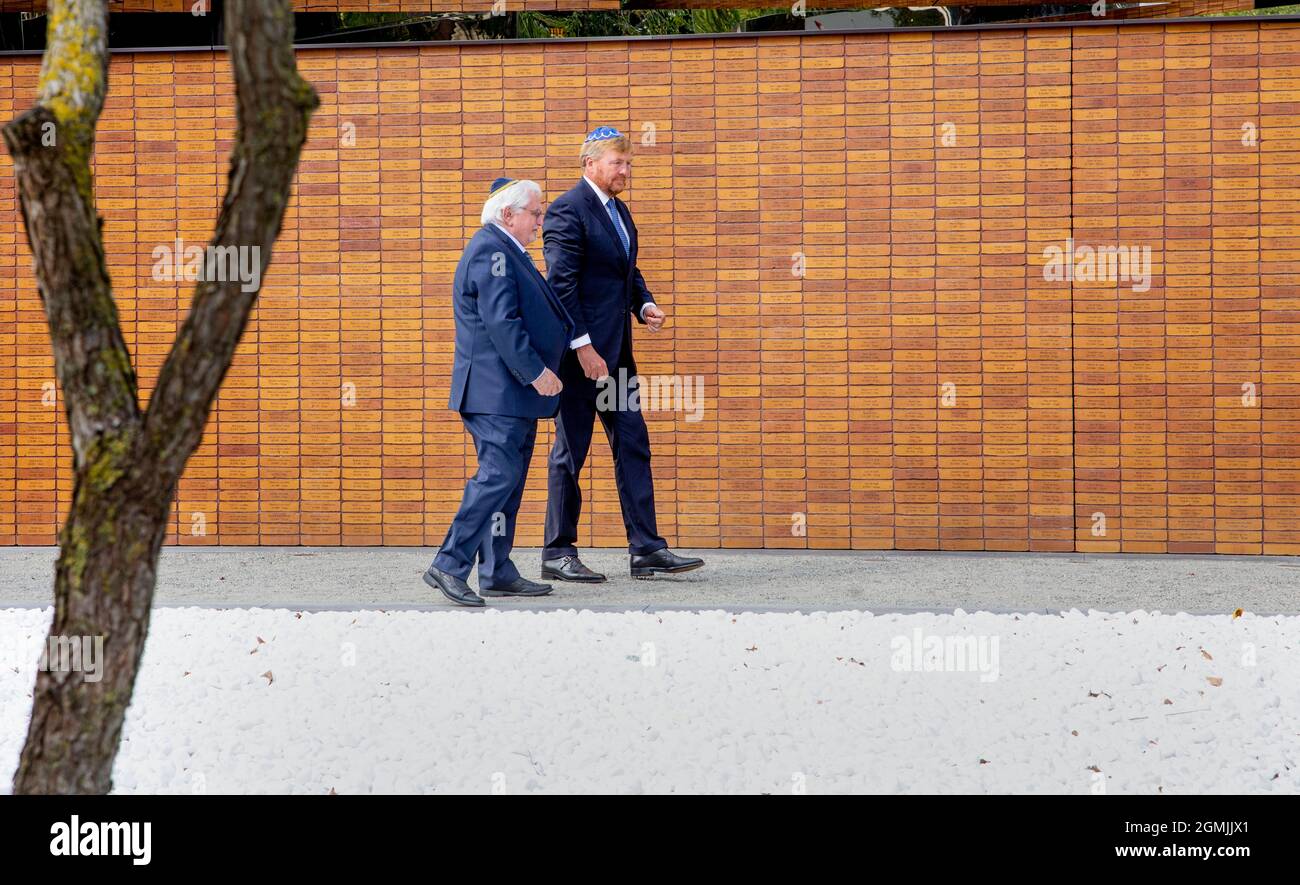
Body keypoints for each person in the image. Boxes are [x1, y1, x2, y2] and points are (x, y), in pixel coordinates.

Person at [540, 126, 704, 582]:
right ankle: (557, 552)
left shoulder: (619, 212)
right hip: (580, 359)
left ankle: (646, 549)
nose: (626, 171)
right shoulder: (567, 211)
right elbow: (561, 286)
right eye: (618, 163)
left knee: (633, 442)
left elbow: (625, 272)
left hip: (616, 358)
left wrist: (644, 303)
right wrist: (584, 347)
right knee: (571, 452)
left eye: (629, 163)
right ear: (590, 164)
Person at [423, 178, 575, 607]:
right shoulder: (493, 250)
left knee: (507, 483)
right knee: (497, 477)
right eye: (535, 212)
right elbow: (502, 322)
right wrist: (536, 373)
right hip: (497, 393)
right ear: (508, 214)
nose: (541, 221)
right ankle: (449, 564)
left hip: (510, 395)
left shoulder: (506, 250)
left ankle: (496, 570)